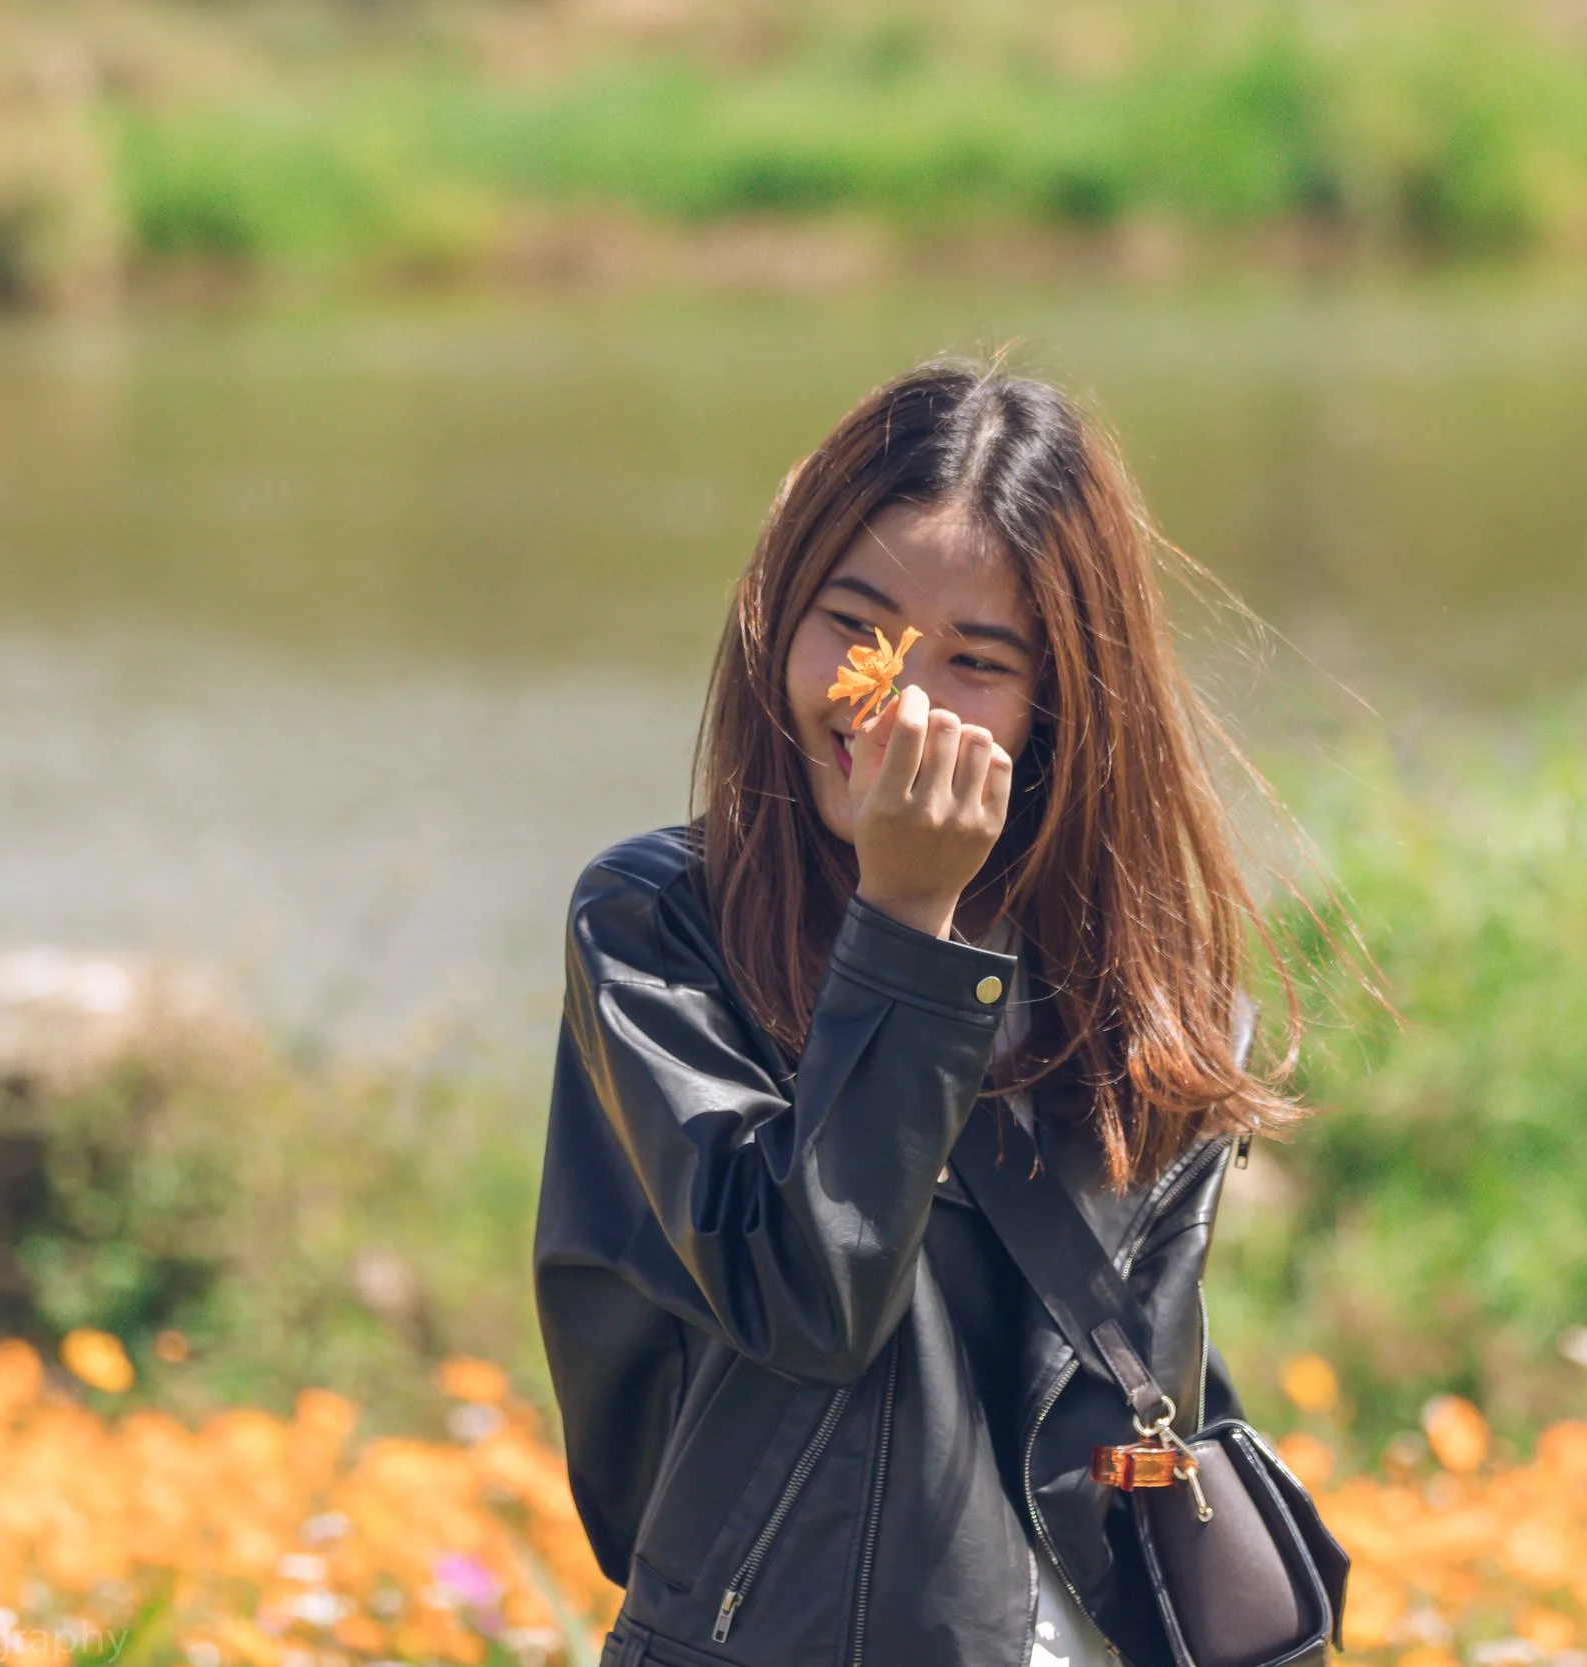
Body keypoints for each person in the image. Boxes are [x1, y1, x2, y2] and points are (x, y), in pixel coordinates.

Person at [534, 360, 1308, 1667]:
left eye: (978, 662)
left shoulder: (1151, 982)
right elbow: (805, 1300)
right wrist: (904, 928)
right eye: (859, 625)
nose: (893, 698)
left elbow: (1137, 1395)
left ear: (1059, 704)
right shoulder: (661, 928)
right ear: (777, 619)